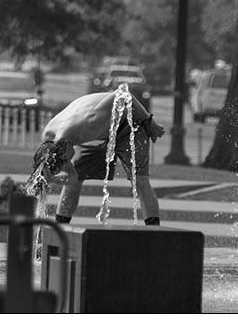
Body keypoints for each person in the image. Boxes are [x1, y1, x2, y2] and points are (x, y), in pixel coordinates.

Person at [32, 90, 166, 225]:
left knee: (140, 181)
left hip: (129, 126)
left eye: (66, 162)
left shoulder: (90, 122)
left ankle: (154, 231)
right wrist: (56, 177)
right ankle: (61, 230)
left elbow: (123, 93)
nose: (67, 165)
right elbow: (70, 175)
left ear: (65, 148)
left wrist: (150, 123)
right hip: (99, 133)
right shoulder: (50, 139)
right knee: (76, 180)